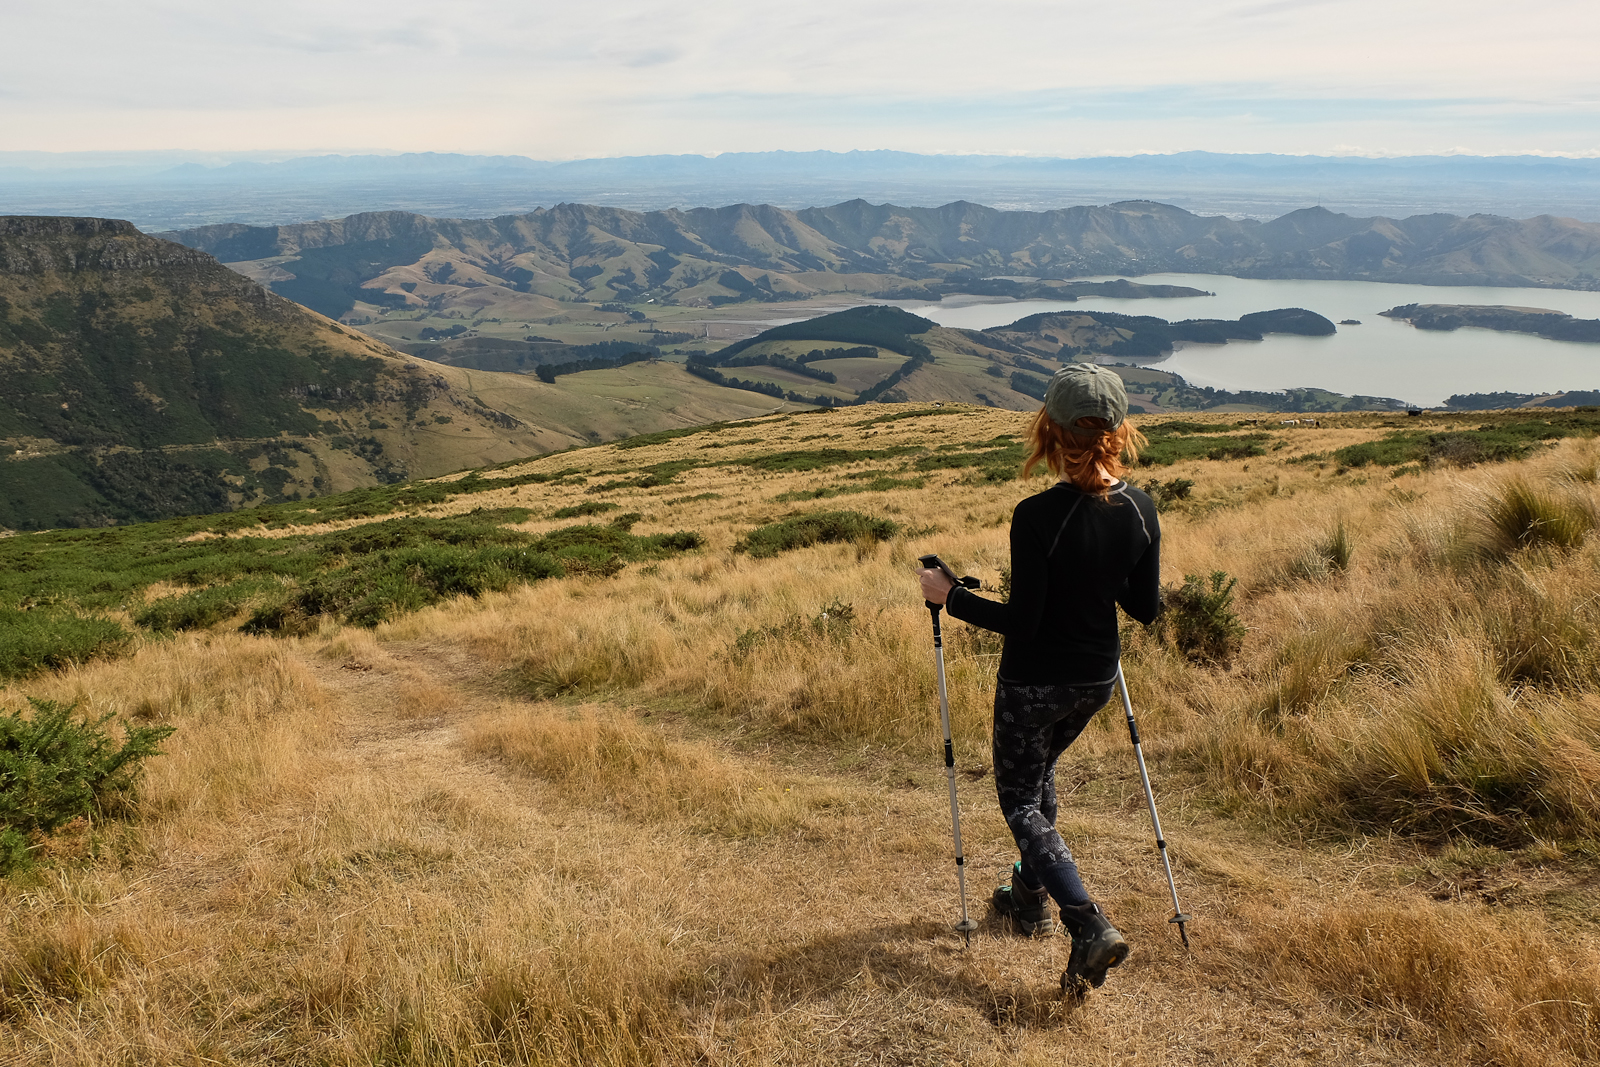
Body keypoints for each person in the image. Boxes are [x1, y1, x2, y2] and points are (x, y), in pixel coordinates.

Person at [917, 364, 1161, 995]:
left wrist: (950, 598)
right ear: (1117, 429)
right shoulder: (1140, 508)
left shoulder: (1035, 515)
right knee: (1041, 775)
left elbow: (1023, 624)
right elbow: (1145, 608)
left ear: (1049, 430)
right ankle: (1028, 895)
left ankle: (1087, 923)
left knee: (1020, 798)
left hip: (1033, 683)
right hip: (1095, 679)